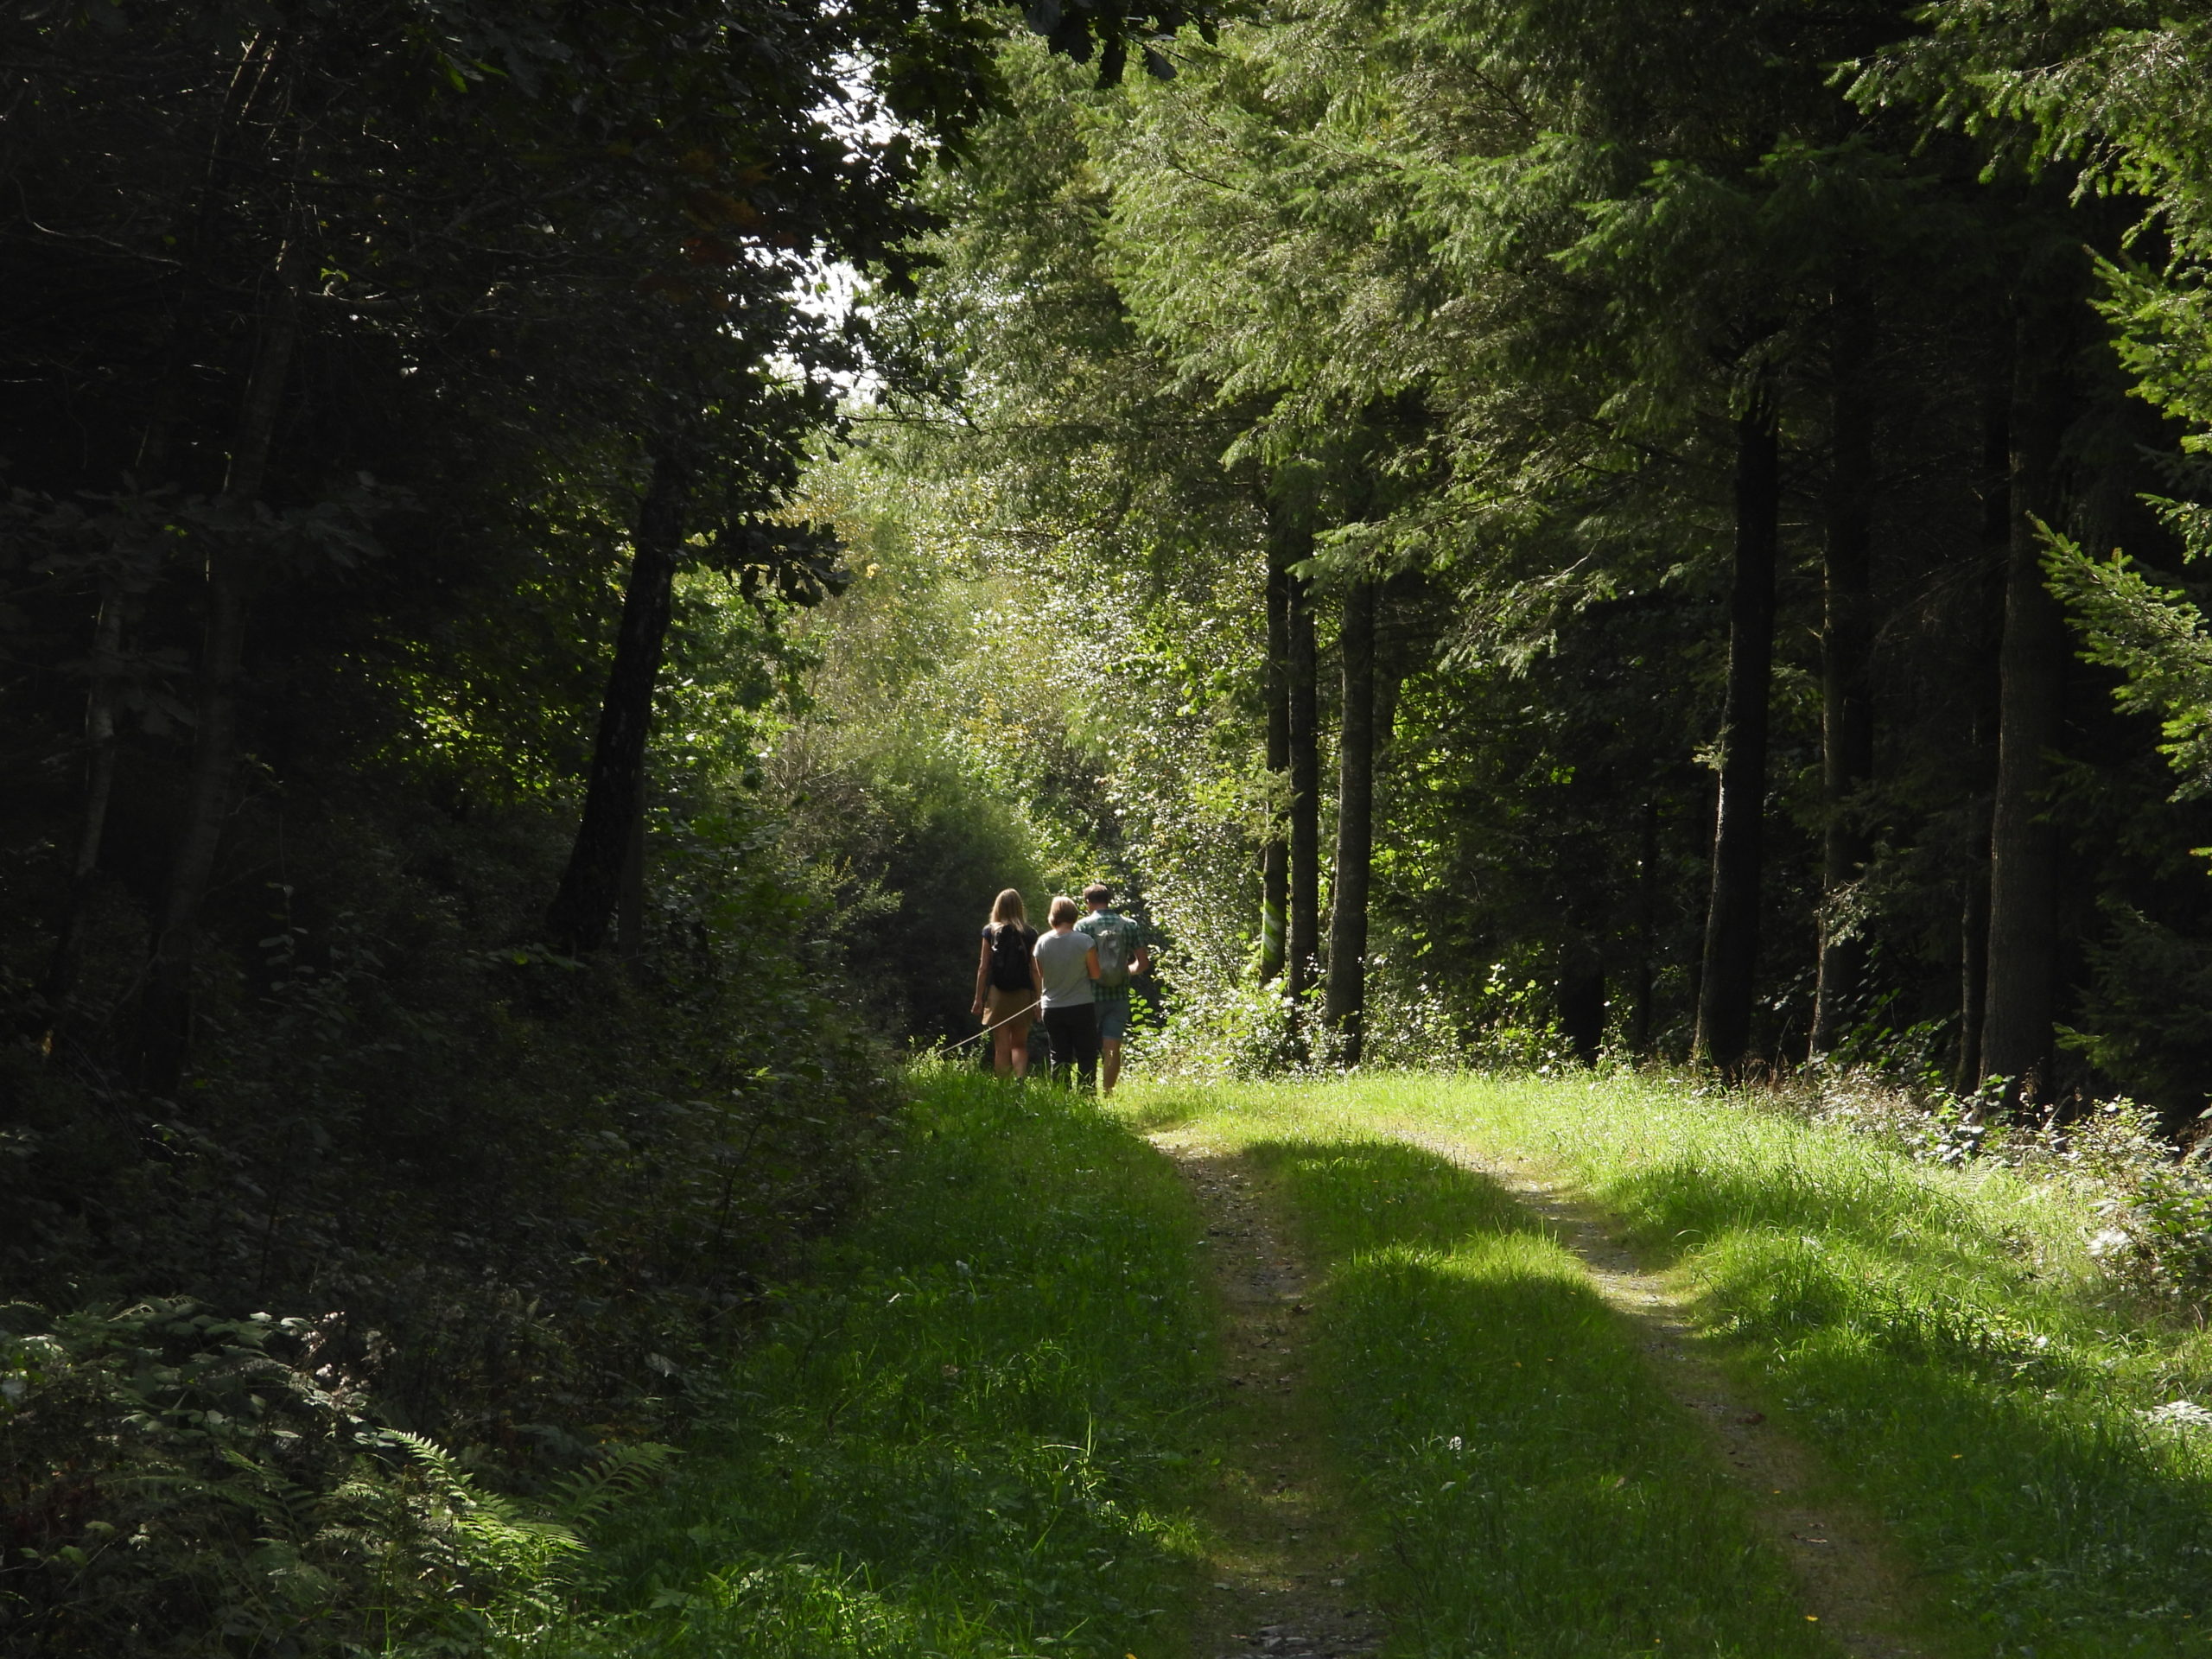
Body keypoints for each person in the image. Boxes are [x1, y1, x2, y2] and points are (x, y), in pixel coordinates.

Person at [1075, 882, 1150, 1096]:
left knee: (1087, 1046)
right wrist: (1126, 972)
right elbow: (1143, 963)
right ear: (1108, 900)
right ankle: (1108, 1093)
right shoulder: (1130, 925)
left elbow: (1079, 964)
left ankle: (1087, 1091)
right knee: (1112, 1047)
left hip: (1091, 995)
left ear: (1088, 902)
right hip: (1119, 995)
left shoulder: (1083, 926)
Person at [1033, 894, 1101, 1090]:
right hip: (1081, 1005)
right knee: (1086, 1054)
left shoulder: (1041, 943)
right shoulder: (1085, 941)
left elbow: (1042, 974)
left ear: (1053, 915)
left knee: (1059, 1055)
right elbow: (1095, 974)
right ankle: (1086, 1096)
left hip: (1052, 1007)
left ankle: (1061, 1099)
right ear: (1073, 915)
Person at [971, 889, 1041, 1078]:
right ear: (1020, 907)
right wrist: (1039, 1000)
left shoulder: (990, 931)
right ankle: (1019, 1081)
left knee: (1001, 1047)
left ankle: (1002, 1087)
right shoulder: (1030, 933)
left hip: (997, 993)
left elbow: (983, 968)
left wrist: (978, 998)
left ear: (998, 906)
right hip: (1023, 994)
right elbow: (1034, 969)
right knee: (1019, 1045)